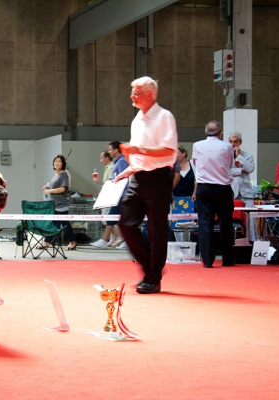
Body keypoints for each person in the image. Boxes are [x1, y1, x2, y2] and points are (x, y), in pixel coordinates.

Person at [115, 76, 178, 294]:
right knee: (126, 222)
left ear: (149, 95)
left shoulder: (164, 116)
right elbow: (138, 155)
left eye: (136, 92)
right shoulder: (137, 120)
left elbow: (170, 150)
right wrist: (129, 169)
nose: (131, 96)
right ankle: (150, 266)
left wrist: (139, 150)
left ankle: (153, 276)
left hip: (159, 177)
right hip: (138, 176)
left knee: (156, 229)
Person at [192, 121, 235, 268]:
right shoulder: (227, 146)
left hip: (203, 187)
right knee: (226, 224)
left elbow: (195, 164)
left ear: (205, 132)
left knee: (205, 224)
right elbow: (230, 165)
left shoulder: (197, 145)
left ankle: (208, 261)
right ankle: (227, 259)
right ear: (220, 133)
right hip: (223, 188)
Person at [91, 142, 128, 249]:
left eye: (111, 149)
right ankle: (124, 240)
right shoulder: (118, 162)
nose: (109, 152)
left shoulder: (121, 162)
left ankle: (105, 240)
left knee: (112, 217)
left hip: (121, 195)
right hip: (118, 195)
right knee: (115, 218)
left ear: (116, 150)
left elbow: (123, 180)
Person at [40, 154, 78, 251]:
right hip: (54, 205)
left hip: (61, 205)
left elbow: (62, 189)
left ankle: (72, 242)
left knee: (64, 224)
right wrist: (47, 187)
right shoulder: (55, 175)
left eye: (59, 161)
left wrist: (49, 191)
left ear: (63, 164)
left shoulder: (63, 174)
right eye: (55, 161)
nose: (57, 163)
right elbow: (54, 186)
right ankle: (48, 242)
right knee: (52, 224)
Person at [229, 131, 256, 241]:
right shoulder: (226, 156)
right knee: (232, 220)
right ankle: (232, 244)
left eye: (235, 141)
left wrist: (239, 156)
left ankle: (252, 242)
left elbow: (250, 169)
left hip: (246, 193)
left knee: (251, 220)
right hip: (232, 193)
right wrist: (240, 170)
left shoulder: (247, 155)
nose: (233, 144)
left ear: (240, 142)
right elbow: (226, 171)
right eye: (230, 141)